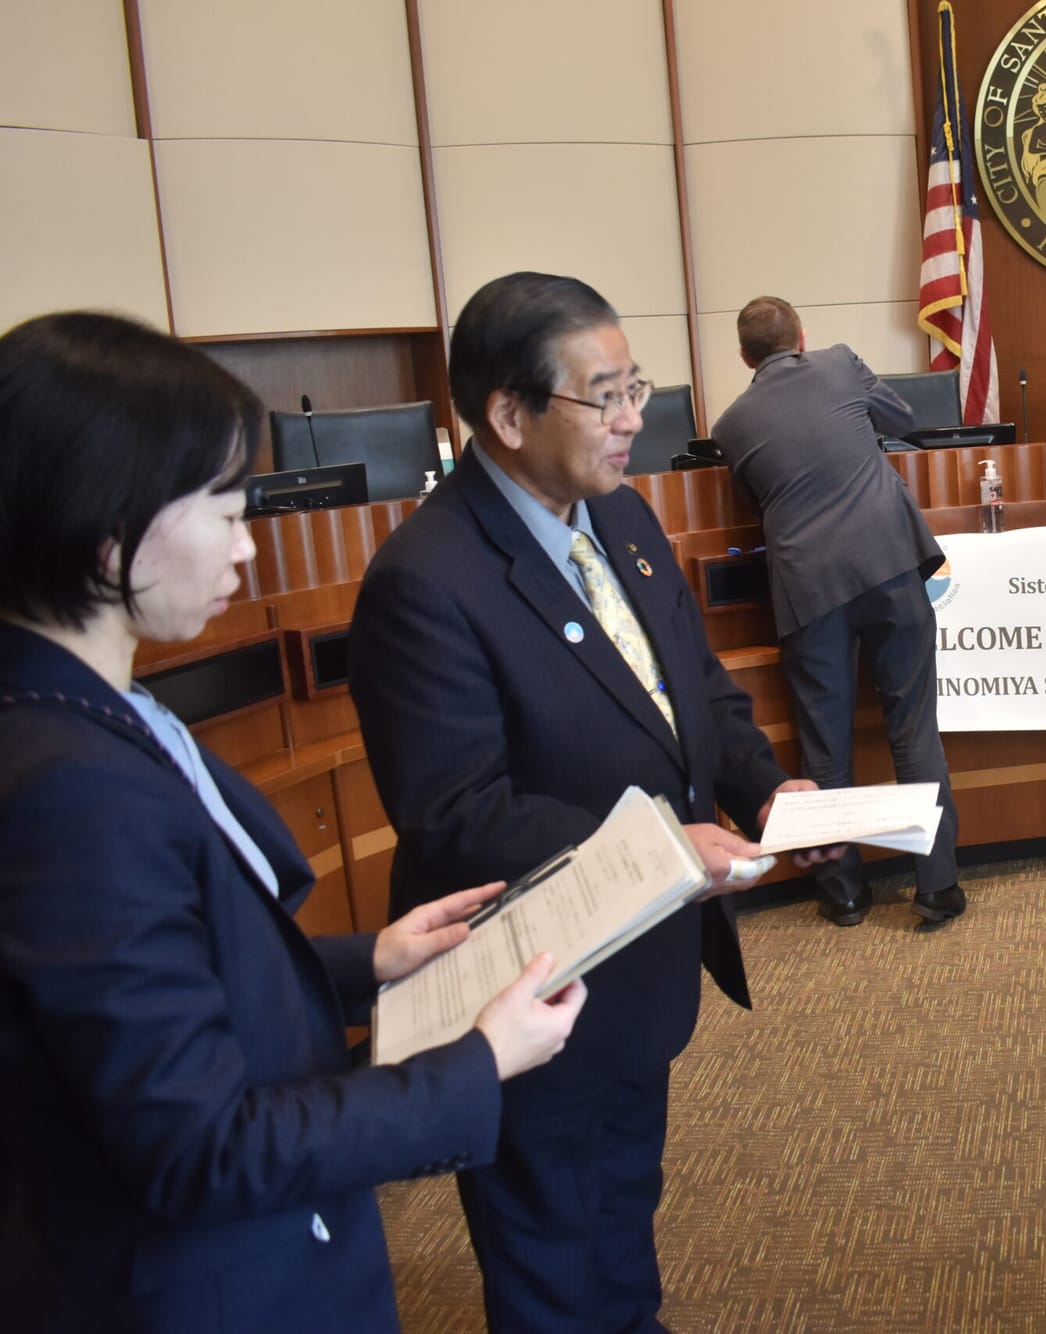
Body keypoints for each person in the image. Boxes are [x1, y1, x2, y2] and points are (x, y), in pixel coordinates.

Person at [0, 311, 584, 1332]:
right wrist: (475, 1064)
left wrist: (371, 959)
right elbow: (200, 1144)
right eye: (226, 510)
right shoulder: (70, 787)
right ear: (108, 527)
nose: (246, 544)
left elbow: (165, 980)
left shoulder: (87, 708)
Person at [347, 273, 818, 1333]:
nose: (631, 417)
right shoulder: (426, 580)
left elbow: (693, 689)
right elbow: (457, 811)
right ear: (508, 416)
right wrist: (663, 846)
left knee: (620, 1209)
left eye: (634, 386)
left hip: (638, 967)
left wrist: (766, 787)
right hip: (531, 987)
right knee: (551, 1255)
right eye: (602, 396)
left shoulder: (623, 516)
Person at [709, 296, 965, 928]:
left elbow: (756, 498)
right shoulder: (840, 363)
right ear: (802, 336)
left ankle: (845, 892)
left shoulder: (730, 425)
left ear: (744, 357)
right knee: (914, 731)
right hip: (888, 562)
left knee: (825, 744)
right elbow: (903, 418)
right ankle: (937, 886)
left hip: (808, 588)